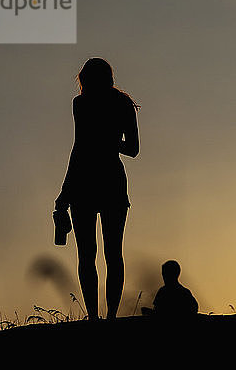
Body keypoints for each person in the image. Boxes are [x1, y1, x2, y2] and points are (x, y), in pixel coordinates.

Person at [54, 57, 140, 321]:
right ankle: (106, 317)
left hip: (86, 182)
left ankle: (97, 318)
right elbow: (132, 149)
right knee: (112, 253)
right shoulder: (120, 103)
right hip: (109, 180)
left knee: (90, 255)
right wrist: (111, 144)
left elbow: (80, 149)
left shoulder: (82, 104)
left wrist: (64, 195)